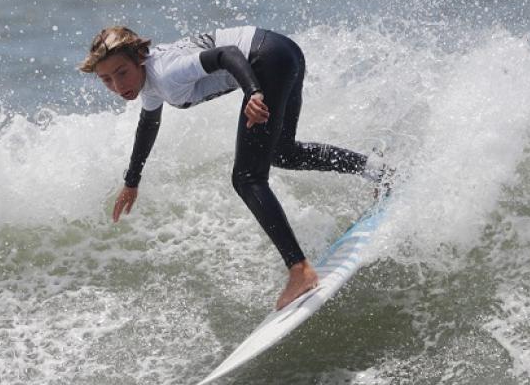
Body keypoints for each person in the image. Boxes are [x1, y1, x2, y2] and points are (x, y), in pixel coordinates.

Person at [79, 25, 385, 310]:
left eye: (122, 73)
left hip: (267, 59)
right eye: (107, 79)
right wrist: (132, 181)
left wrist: (253, 92)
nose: (118, 86)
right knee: (283, 152)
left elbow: (227, 55)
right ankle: (378, 171)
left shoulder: (167, 73)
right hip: (283, 51)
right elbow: (149, 123)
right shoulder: (148, 83)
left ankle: (300, 270)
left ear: (139, 59)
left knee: (247, 178)